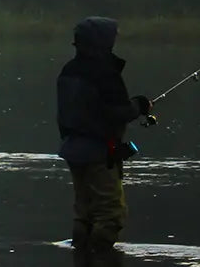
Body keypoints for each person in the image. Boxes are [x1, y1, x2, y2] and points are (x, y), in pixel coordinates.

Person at [56, 16, 152, 250]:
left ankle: (82, 260)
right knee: (110, 213)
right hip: (99, 152)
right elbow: (118, 111)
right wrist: (139, 105)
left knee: (84, 213)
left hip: (72, 149)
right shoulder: (104, 73)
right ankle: (101, 262)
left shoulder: (69, 70)